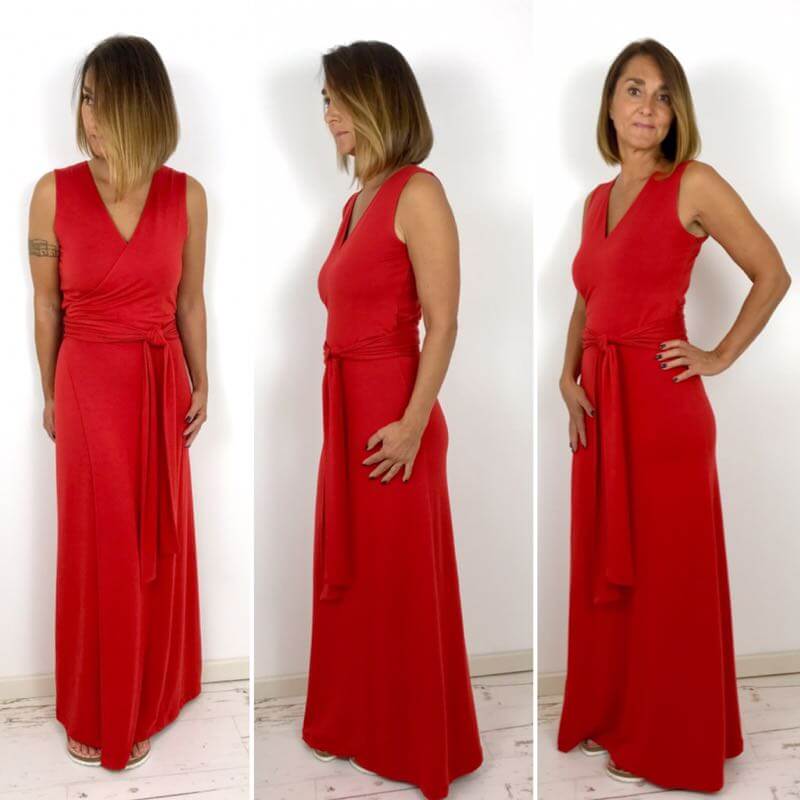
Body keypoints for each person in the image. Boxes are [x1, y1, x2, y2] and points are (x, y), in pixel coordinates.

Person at [556, 39, 790, 791]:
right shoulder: (596, 202)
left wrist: (717, 356)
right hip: (601, 408)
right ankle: (619, 712)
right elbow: (588, 296)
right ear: (610, 104)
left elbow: (773, 273)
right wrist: (566, 374)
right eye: (634, 89)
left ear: (676, 112)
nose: (648, 107)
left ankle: (669, 741)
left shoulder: (693, 183)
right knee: (613, 572)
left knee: (667, 579)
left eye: (663, 95)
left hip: (662, 412)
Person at [301, 41, 483, 800]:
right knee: (361, 581)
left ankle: (414, 743)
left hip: (393, 416)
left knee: (400, 585)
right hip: (347, 411)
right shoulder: (357, 202)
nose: (328, 114)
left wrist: (411, 425)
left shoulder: (418, 192)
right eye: (325, 100)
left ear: (378, 100)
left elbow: (443, 323)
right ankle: (360, 724)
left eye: (339, 98)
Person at [28, 35, 208, 770]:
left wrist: (203, 380)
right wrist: (49, 391)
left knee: (152, 544)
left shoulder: (187, 195)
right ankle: (95, 703)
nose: (89, 114)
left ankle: (147, 694)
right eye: (85, 96)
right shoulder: (52, 192)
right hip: (87, 384)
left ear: (144, 106)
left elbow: (190, 301)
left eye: (105, 99)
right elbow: (46, 306)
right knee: (95, 546)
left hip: (161, 385)